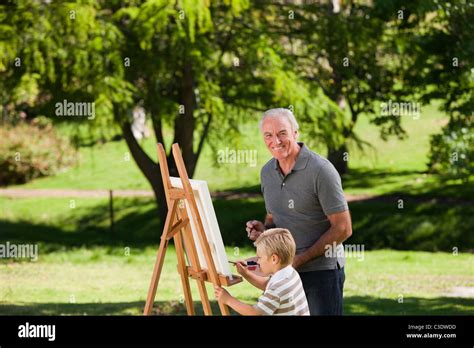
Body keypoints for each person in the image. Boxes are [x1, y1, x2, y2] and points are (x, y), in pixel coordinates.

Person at [246, 108, 352, 315]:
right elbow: (273, 217)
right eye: (268, 135)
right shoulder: (267, 172)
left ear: (295, 133)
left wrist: (300, 259)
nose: (275, 140)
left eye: (282, 133)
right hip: (284, 273)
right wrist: (264, 231)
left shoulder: (321, 170)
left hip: (322, 273)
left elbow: (343, 228)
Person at [214, 228, 309, 315]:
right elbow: (267, 285)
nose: (257, 261)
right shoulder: (290, 273)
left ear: (274, 259)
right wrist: (246, 274)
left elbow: (255, 312)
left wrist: (228, 300)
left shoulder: (276, 289)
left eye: (259, 258)